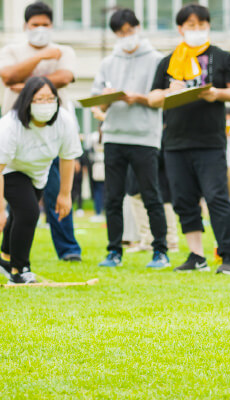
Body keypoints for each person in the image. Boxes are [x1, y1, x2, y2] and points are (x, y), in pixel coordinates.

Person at [147, 4, 230, 275]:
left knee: (216, 197)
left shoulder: (221, 57)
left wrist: (217, 93)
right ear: (180, 28)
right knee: (183, 199)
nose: (197, 30)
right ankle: (196, 255)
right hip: (176, 141)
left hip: (210, 140)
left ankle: (228, 256)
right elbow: (152, 98)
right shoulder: (168, 62)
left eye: (201, 25)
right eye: (191, 25)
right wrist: (169, 91)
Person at [0, 1, 81, 262]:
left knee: (55, 195)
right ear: (25, 26)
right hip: (17, 147)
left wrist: (24, 83)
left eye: (46, 24)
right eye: (35, 25)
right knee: (26, 210)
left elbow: (65, 77)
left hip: (48, 145)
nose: (41, 29)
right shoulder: (11, 50)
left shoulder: (65, 51)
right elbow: (7, 75)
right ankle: (16, 265)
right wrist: (42, 58)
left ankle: (67, 248)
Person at [90, 8, 169, 269]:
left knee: (151, 195)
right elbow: (96, 107)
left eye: (129, 30)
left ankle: (160, 250)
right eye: (120, 33)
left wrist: (139, 97)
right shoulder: (107, 63)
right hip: (114, 137)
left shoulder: (157, 60)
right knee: (113, 197)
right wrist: (106, 100)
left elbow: (164, 99)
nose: (126, 36)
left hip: (145, 137)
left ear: (138, 27)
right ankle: (114, 251)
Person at [0, 77, 82, 284]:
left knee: (21, 213)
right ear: (27, 100)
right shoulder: (10, 125)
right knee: (29, 212)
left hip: (38, 173)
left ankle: (5, 257)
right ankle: (19, 270)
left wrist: (65, 195)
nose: (45, 104)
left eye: (50, 99)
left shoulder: (64, 120)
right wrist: (0, 207)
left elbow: (67, 158)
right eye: (39, 99)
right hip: (9, 169)